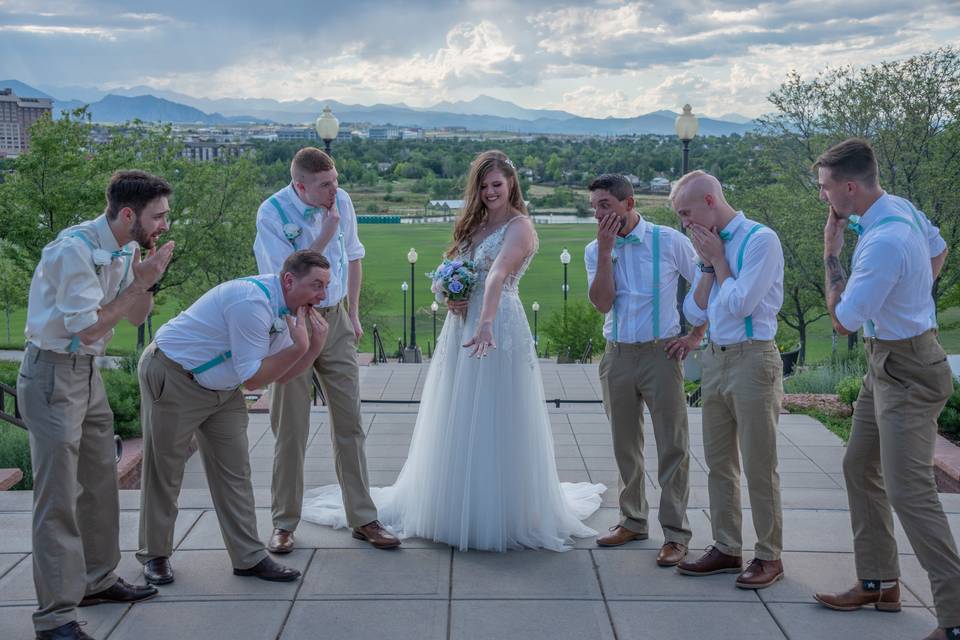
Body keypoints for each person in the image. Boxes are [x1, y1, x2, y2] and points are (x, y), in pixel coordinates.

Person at [300, 150, 606, 551]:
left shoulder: (521, 227)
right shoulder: (474, 224)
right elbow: (448, 271)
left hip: (496, 327)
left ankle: (499, 508)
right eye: (483, 186)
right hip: (460, 326)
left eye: (497, 184)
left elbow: (496, 275)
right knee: (456, 410)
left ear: (511, 183)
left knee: (497, 412)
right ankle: (450, 502)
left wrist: (484, 322)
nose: (491, 191)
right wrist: (447, 294)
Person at [812, 138, 960, 640]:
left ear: (849, 187)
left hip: (909, 368)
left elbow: (843, 321)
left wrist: (831, 255)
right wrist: (912, 297)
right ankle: (879, 581)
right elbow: (938, 250)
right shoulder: (900, 209)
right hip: (888, 360)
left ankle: (957, 616)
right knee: (859, 464)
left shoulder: (881, 243)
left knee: (911, 491)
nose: (823, 198)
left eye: (825, 188)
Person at [18, 170, 174, 640]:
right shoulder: (73, 250)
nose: (165, 224)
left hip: (89, 376)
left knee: (100, 484)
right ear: (129, 214)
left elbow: (136, 317)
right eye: (158, 216)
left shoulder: (126, 246)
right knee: (58, 499)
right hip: (52, 375)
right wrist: (133, 287)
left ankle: (97, 581)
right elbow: (85, 328)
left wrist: (148, 280)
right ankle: (55, 618)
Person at [136, 250, 331, 586]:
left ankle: (249, 557)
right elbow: (254, 379)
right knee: (165, 469)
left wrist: (312, 348)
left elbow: (280, 375)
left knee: (235, 469)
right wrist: (300, 347)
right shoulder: (251, 302)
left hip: (221, 389)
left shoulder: (292, 314)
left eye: (326, 286)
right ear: (288, 280)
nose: (322, 295)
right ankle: (155, 554)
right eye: (316, 285)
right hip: (174, 374)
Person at [253, 147, 398, 553]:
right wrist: (324, 234)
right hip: (291, 324)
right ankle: (284, 523)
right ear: (300, 185)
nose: (334, 189)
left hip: (334, 319)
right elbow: (284, 277)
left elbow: (353, 257)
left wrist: (352, 314)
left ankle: (363, 518)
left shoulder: (343, 200)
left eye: (335, 180)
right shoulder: (272, 214)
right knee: (291, 428)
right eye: (324, 185)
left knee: (350, 421)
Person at [670, 170, 787, 590]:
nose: (684, 222)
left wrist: (719, 259)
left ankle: (769, 556)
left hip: (753, 360)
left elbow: (740, 304)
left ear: (710, 201)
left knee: (759, 464)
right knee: (719, 463)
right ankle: (726, 546)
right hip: (716, 360)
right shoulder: (708, 247)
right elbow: (695, 312)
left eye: (686, 213)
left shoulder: (760, 240)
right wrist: (706, 263)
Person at [585, 173, 705, 566]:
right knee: (625, 445)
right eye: (595, 207)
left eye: (606, 205)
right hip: (617, 354)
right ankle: (632, 520)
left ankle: (675, 533)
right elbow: (602, 304)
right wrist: (604, 253)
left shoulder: (669, 241)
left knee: (672, 445)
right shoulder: (594, 249)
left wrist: (695, 336)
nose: (599, 214)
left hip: (661, 354)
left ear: (628, 204)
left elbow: (709, 279)